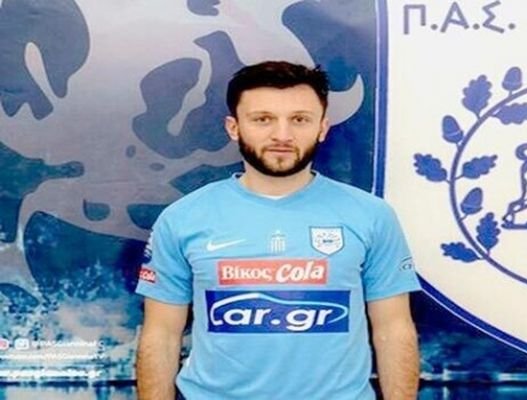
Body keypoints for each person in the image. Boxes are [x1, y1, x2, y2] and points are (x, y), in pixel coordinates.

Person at [135, 61, 421, 400]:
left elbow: (393, 329)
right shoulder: (183, 218)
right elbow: (162, 335)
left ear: (322, 128)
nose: (282, 135)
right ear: (233, 127)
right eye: (263, 119)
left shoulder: (371, 215)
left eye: (299, 119)